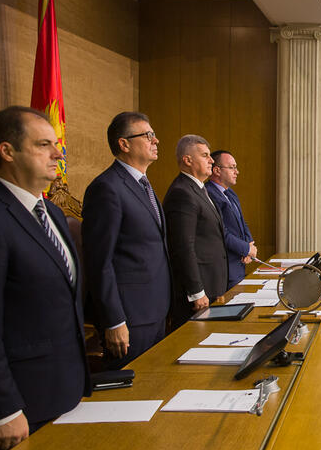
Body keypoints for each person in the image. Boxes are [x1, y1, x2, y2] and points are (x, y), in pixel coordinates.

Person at [0, 107, 90, 450]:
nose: (58, 154)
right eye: (44, 145)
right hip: (21, 403)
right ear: (7, 151)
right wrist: (3, 408)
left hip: (65, 388)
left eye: (57, 145)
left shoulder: (53, 214)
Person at [82, 112, 172, 369]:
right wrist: (113, 320)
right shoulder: (107, 187)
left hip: (155, 309)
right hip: (129, 316)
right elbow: (100, 261)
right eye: (148, 135)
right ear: (124, 144)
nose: (156, 141)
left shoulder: (144, 184)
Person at [163, 134, 228, 326]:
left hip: (212, 285)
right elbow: (183, 247)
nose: (211, 160)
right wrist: (197, 291)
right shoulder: (182, 193)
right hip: (197, 293)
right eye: (205, 155)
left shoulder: (198, 189)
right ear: (188, 160)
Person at [206, 150, 256, 289]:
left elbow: (242, 222)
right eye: (232, 167)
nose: (237, 171)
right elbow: (221, 231)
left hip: (239, 264)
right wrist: (245, 248)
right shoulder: (209, 194)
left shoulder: (230, 193)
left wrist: (249, 245)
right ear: (217, 170)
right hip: (226, 268)